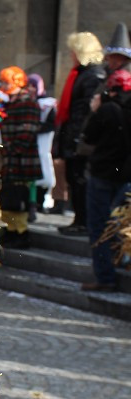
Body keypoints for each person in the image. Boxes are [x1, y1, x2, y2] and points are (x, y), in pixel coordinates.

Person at [77, 68, 131, 291]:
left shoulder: (107, 109)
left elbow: (89, 136)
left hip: (103, 174)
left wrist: (95, 110)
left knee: (99, 226)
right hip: (126, 175)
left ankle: (105, 277)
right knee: (122, 225)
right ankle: (121, 263)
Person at [54, 32, 106, 234]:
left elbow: (85, 112)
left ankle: (82, 221)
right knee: (74, 178)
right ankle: (79, 219)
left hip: (80, 139)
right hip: (74, 136)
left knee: (79, 180)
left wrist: (77, 139)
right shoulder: (82, 74)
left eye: (73, 51)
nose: (71, 55)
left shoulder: (92, 75)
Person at [0, 66, 41, 248]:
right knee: (8, 197)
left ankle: (21, 233)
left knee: (18, 199)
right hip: (11, 157)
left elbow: (28, 131)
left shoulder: (27, 101)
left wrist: (10, 149)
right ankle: (12, 230)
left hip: (21, 159)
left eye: (6, 82)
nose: (3, 85)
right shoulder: (10, 101)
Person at [28, 73, 56, 219]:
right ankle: (32, 204)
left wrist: (37, 128)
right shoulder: (26, 101)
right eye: (29, 86)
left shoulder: (48, 103)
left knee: (44, 171)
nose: (31, 89)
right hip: (30, 144)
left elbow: (53, 123)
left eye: (33, 86)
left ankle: (41, 201)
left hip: (43, 143)